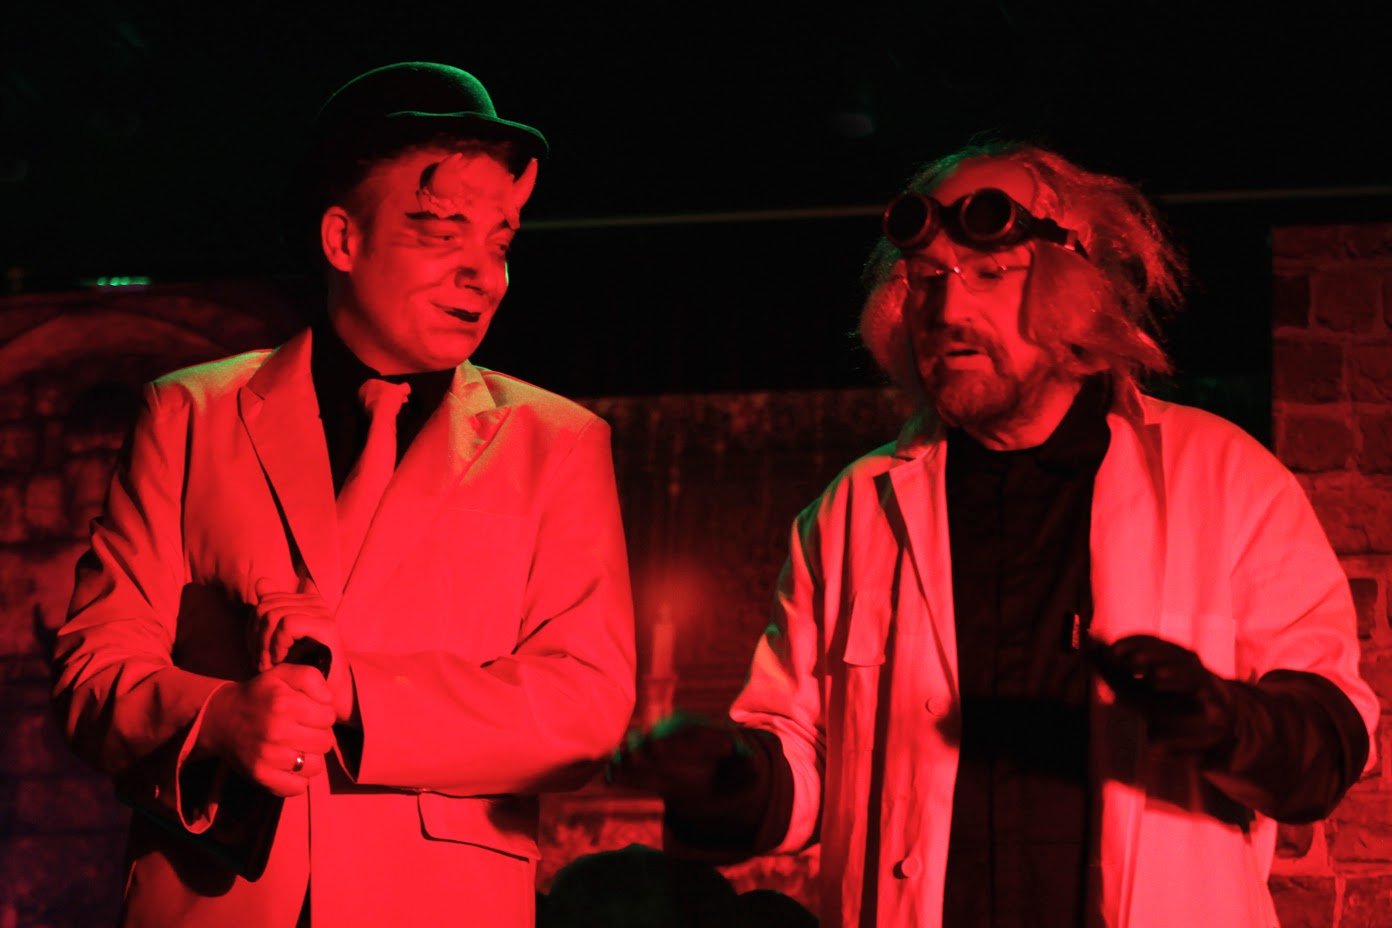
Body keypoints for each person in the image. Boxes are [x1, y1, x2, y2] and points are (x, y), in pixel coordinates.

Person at [609, 141, 1379, 926]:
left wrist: (1224, 720)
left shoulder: (1223, 479)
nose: (947, 312)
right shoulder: (853, 511)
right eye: (926, 279)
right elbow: (804, 763)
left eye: (988, 274)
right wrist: (728, 776)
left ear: (1079, 289)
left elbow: (1327, 746)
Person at [51, 61, 635, 926]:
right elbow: (93, 667)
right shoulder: (191, 414)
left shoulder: (558, 442)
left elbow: (583, 707)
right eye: (443, 233)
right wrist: (219, 718)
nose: (485, 275)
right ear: (342, 238)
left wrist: (354, 691)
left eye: (500, 242)